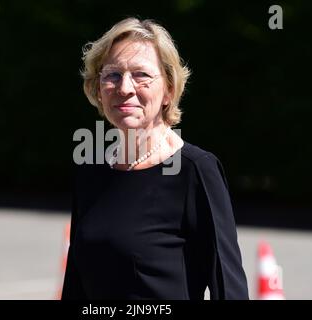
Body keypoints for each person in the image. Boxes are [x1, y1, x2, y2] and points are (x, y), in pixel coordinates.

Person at [62, 17, 249, 300]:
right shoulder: (91, 171)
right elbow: (76, 286)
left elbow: (229, 287)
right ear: (98, 89)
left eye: (141, 75)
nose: (124, 88)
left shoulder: (195, 170)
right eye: (112, 74)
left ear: (169, 90)